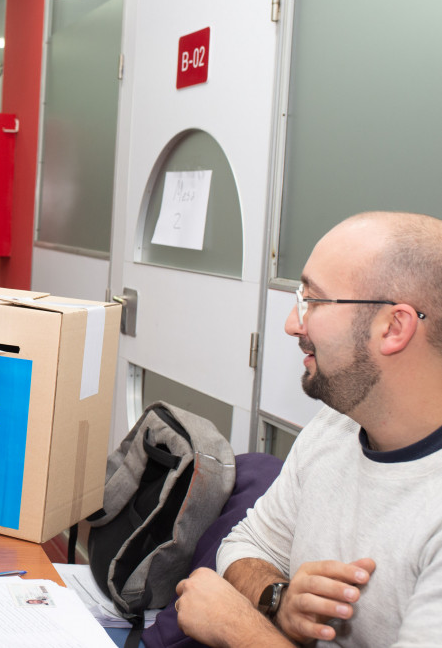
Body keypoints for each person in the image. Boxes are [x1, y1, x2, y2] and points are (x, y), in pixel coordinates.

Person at [174, 212, 442, 648]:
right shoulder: (338, 424)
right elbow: (244, 545)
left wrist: (242, 631)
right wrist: (277, 598)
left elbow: (237, 616)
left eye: (313, 301)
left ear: (393, 327)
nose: (292, 324)